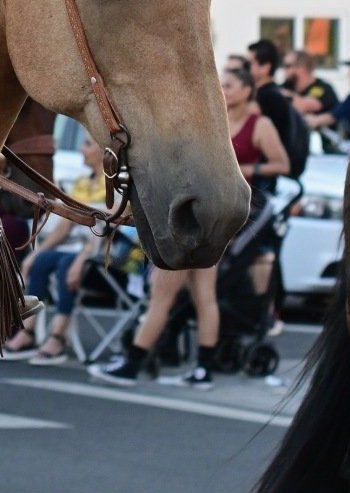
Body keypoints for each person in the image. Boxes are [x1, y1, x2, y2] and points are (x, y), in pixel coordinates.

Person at [98, 56, 288, 383]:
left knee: (164, 290)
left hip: (214, 211)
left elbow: (282, 164)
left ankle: (134, 362)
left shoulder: (260, 124)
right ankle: (202, 368)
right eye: (221, 84)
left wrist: (240, 172)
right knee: (202, 294)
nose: (223, 90)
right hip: (203, 208)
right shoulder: (214, 120)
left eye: (229, 85)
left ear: (247, 89)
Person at [247, 38, 311, 178]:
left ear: (265, 67)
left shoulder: (269, 98)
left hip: (270, 177)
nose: (246, 69)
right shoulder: (270, 94)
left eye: (250, 63)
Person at [285, 47, 340, 141]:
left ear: (302, 68)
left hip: (323, 148)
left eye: (288, 66)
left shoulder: (323, 88)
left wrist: (282, 96)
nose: (284, 70)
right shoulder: (286, 86)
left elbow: (304, 106)